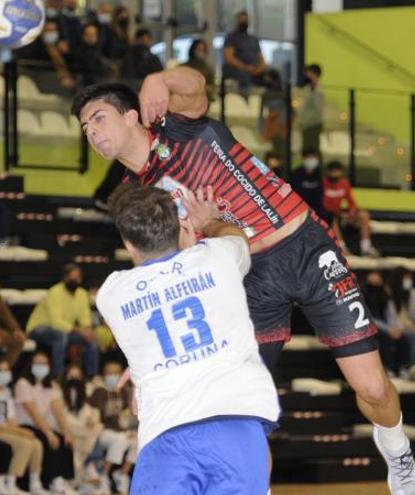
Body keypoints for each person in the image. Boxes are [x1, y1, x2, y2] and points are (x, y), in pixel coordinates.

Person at [72, 70, 415, 494]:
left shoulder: (179, 126)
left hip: (302, 246)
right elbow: (168, 271)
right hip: (242, 278)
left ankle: (396, 447)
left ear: (131, 116)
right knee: (243, 415)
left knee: (370, 385)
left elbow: (196, 86)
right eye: (85, 126)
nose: (91, 131)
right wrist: (145, 354)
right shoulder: (138, 196)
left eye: (99, 117)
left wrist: (159, 77)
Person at [94, 185, 278, 493]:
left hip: (168, 432)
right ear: (179, 227)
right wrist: (208, 224)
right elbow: (238, 237)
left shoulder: (111, 293)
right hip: (238, 422)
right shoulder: (218, 257)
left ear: (128, 243)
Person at [0, 359, 47, 495]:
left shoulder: (6, 392)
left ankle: (35, 482)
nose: (4, 373)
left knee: (37, 443)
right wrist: (20, 432)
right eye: (0, 370)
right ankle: (10, 483)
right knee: (25, 443)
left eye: (6, 370)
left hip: (5, 429)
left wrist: (19, 430)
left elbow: (10, 420)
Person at [15, 352, 76, 494]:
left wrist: (67, 432)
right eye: (37, 364)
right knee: (48, 440)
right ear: (30, 365)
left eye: (44, 364)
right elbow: (33, 413)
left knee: (63, 439)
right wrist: (48, 433)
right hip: (26, 425)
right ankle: (48, 481)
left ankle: (60, 479)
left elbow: (58, 411)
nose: (40, 367)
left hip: (41, 426)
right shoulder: (23, 383)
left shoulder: (52, 386)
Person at [26, 263, 96, 378]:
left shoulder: (82, 294)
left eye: (77, 278)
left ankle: (91, 377)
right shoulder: (55, 292)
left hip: (66, 330)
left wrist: (87, 330)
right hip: (39, 329)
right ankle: (58, 376)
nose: (75, 280)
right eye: (72, 278)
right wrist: (80, 330)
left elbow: (85, 319)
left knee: (91, 340)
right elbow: (56, 322)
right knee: (60, 336)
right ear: (65, 278)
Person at [87, 361, 136, 493]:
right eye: (109, 373)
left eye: (115, 373)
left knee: (138, 440)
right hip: (102, 431)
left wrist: (129, 430)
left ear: (120, 375)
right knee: (121, 439)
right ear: (104, 375)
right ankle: (103, 475)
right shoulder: (100, 391)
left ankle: (122, 474)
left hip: (119, 431)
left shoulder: (123, 392)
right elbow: (97, 417)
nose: (112, 376)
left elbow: (125, 417)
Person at [60, 365, 104, 491]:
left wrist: (92, 420)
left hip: (82, 435)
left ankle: (89, 468)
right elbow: (63, 419)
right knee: (93, 433)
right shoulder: (58, 394)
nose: (74, 379)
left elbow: (91, 413)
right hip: (66, 431)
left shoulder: (84, 394)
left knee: (97, 427)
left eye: (77, 376)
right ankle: (90, 466)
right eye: (71, 376)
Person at [323, 161, 378, 256]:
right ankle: (341, 247)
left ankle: (366, 248)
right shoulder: (322, 184)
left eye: (337, 171)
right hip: (328, 215)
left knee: (363, 215)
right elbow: (324, 205)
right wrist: (338, 213)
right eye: (333, 171)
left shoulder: (344, 183)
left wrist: (351, 212)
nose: (335, 173)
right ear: (328, 172)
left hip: (342, 215)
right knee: (332, 217)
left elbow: (351, 202)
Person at [364, 271, 410, 375]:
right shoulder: (363, 296)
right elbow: (369, 318)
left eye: (378, 281)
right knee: (384, 338)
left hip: (387, 326)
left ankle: (403, 367)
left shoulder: (385, 295)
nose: (376, 283)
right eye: (373, 281)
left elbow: (391, 314)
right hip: (368, 327)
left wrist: (396, 328)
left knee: (403, 338)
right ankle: (388, 367)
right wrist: (389, 330)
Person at [221, 10, 266, 89]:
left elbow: (261, 59)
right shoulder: (231, 37)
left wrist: (259, 69)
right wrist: (246, 68)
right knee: (245, 77)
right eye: (242, 19)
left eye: (246, 19)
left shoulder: (253, 39)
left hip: (254, 69)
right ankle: (250, 98)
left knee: (273, 75)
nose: (244, 21)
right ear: (237, 21)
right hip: (236, 69)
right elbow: (229, 58)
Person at [289, 148, 326, 220]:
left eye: (313, 157)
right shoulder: (295, 174)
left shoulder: (321, 175)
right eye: (308, 157)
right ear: (303, 158)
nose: (311, 160)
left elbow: (322, 196)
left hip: (317, 210)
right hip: (298, 209)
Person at [297, 64, 324, 154]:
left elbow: (318, 108)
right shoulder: (307, 89)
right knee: (305, 150)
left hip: (313, 124)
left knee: (312, 151)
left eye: (308, 74)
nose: (306, 76)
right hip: (305, 125)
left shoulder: (318, 91)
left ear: (314, 74)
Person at [182, 39, 216, 103]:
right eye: (199, 49)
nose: (201, 52)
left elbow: (212, 87)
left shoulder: (208, 68)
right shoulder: (183, 67)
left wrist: (202, 88)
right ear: (193, 50)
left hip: (203, 99)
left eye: (203, 50)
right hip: (185, 98)